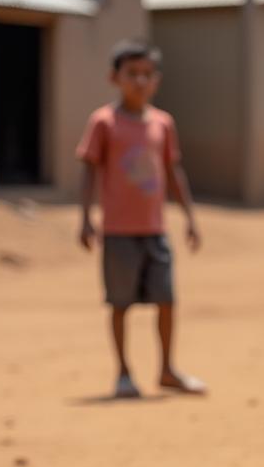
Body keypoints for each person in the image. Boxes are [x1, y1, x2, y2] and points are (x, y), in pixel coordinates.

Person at [78, 39, 205, 399]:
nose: (139, 81)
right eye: (131, 73)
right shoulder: (103, 121)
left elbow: (173, 171)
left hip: (155, 230)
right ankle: (123, 373)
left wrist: (190, 217)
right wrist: (86, 218)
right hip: (118, 231)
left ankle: (167, 369)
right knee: (119, 303)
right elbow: (89, 170)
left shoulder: (163, 123)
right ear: (114, 78)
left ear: (157, 80)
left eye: (147, 74)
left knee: (167, 299)